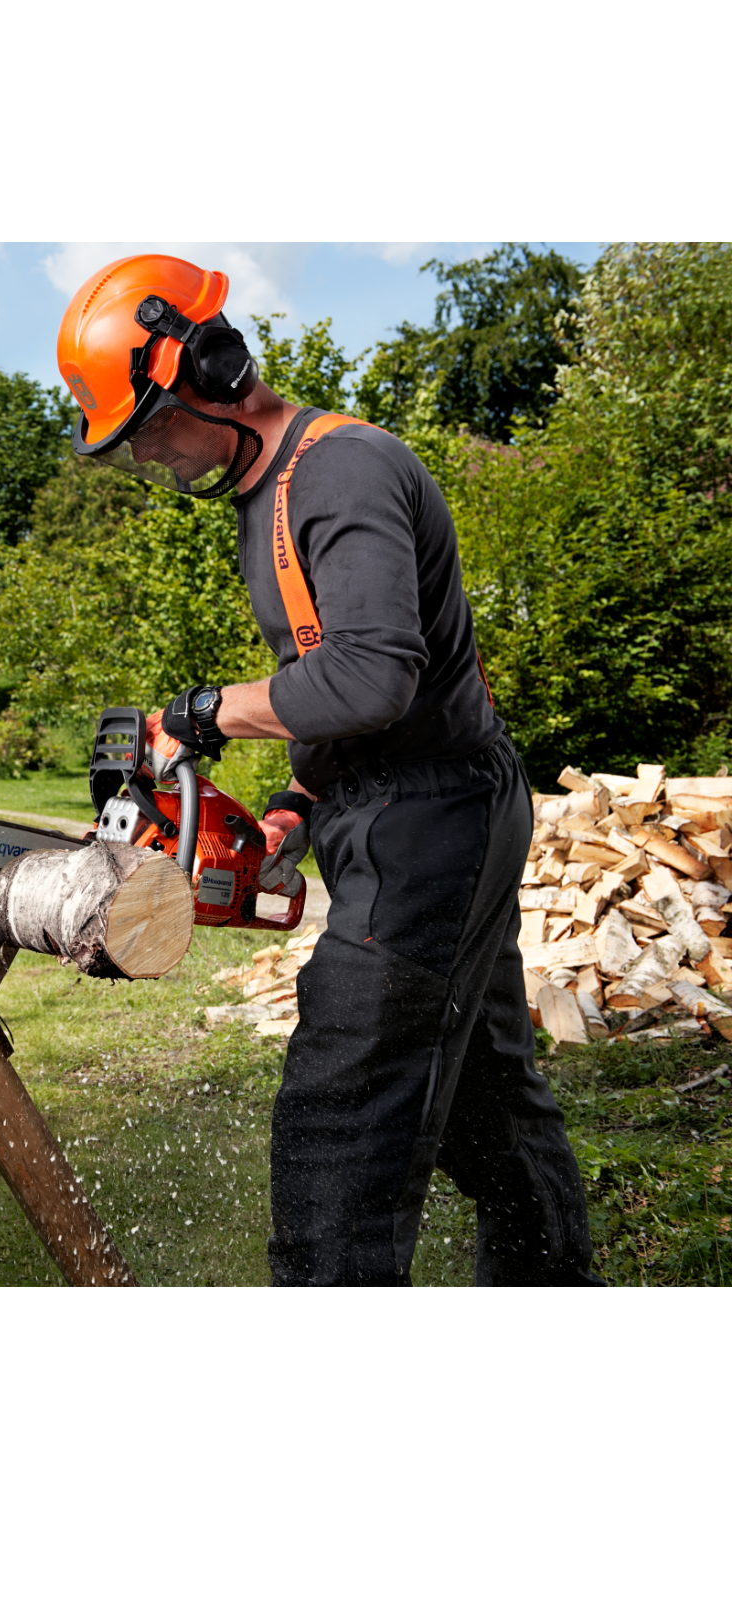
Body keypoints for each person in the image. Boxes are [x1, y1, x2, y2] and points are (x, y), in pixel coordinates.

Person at [58, 255, 600, 1286]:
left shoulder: (341, 469)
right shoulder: (266, 496)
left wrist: (204, 713)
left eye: (150, 430)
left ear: (212, 371)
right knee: (482, 1098)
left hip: (435, 816)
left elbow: (372, 676)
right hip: (398, 806)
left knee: (340, 1110)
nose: (151, 457)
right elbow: (321, 673)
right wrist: (295, 804)